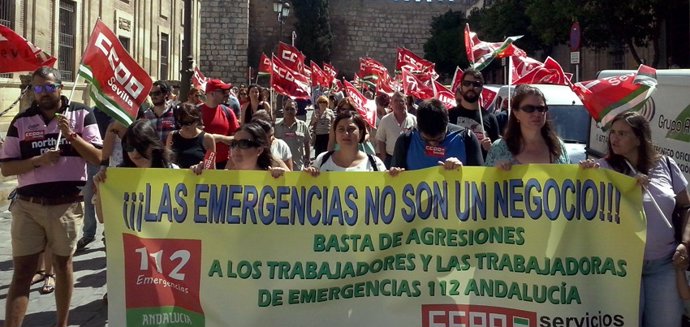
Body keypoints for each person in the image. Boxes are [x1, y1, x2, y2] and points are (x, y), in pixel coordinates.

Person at [0, 66, 102, 327]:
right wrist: (39, 160)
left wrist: (71, 136)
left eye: (48, 87)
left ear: (60, 87)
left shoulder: (81, 113)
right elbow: (7, 168)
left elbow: (97, 157)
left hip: (65, 205)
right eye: (37, 88)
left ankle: (62, 323)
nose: (43, 93)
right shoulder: (21, 121)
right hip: (28, 206)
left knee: (62, 265)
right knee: (23, 271)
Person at [580, 111, 690, 327]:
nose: (614, 138)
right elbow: (585, 212)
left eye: (622, 133)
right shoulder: (601, 169)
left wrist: (685, 244)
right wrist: (584, 177)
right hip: (621, 266)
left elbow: (687, 206)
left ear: (639, 138)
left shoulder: (665, 164)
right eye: (613, 133)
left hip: (664, 264)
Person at [484, 85, 569, 169]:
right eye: (529, 109)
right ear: (516, 113)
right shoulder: (499, 149)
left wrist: (581, 172)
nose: (536, 114)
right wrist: (495, 172)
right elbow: (485, 181)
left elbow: (571, 179)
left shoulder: (558, 147)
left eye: (541, 108)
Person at [390, 99, 483, 171]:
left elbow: (480, 182)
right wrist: (394, 173)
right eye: (426, 139)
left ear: (447, 124)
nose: (433, 144)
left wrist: (463, 170)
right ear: (418, 127)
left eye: (439, 139)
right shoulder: (405, 140)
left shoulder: (467, 138)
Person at [192, 122, 286, 177]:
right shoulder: (224, 179)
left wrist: (282, 180)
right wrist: (199, 176)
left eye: (243, 144)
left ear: (259, 150)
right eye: (233, 144)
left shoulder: (273, 176)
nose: (236, 148)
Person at [305, 111, 387, 174]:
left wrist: (394, 176)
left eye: (351, 129)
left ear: (361, 133)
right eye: (341, 129)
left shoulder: (375, 164)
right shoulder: (322, 160)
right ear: (335, 133)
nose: (346, 134)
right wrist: (308, 175)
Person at [448, 69, 500, 158]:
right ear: (461, 86)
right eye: (467, 83)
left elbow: (498, 153)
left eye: (476, 84)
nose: (471, 87)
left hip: (481, 170)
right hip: (455, 169)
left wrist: (491, 148)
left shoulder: (490, 118)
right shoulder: (449, 115)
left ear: (481, 88)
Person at [200, 79, 240, 169]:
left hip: (223, 165)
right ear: (212, 93)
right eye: (222, 91)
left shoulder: (228, 112)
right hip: (199, 165)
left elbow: (238, 138)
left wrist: (219, 138)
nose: (226, 94)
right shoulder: (196, 112)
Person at [167, 103, 216, 168]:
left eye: (188, 123)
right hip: (176, 177)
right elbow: (167, 162)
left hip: (197, 176)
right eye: (180, 123)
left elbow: (211, 166)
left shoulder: (208, 138)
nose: (184, 127)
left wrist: (202, 166)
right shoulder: (172, 136)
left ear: (196, 121)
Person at [376, 91, 417, 168]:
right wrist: (384, 158)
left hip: (409, 158)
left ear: (406, 103)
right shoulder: (385, 120)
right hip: (391, 158)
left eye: (401, 101)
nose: (398, 103)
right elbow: (381, 140)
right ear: (391, 104)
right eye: (395, 101)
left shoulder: (414, 120)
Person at [274, 98, 311, 170]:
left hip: (298, 167)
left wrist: (307, 159)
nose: (289, 111)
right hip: (281, 168)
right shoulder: (276, 127)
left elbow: (307, 143)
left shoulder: (303, 126)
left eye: (292, 109)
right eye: (287, 109)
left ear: (296, 110)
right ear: (283, 110)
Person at [138, 80, 176, 144]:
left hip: (171, 153)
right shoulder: (145, 115)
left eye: (157, 93)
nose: (153, 96)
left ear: (166, 94)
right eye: (151, 94)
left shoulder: (175, 112)